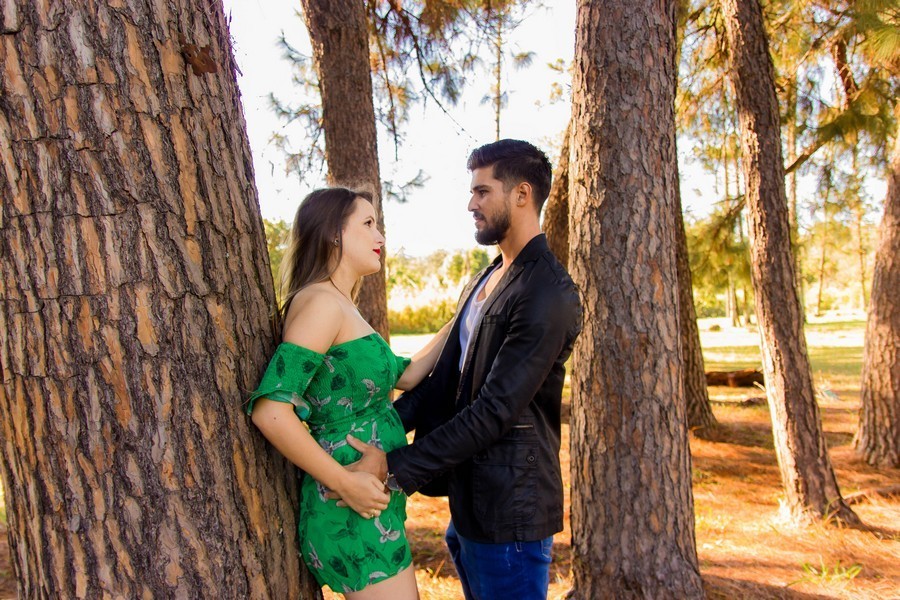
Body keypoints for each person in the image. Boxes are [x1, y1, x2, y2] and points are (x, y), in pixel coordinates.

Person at [341, 139, 583, 600]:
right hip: (469, 504)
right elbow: (443, 384)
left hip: (509, 513)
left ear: (522, 194)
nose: (471, 204)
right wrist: (376, 431)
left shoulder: (547, 293)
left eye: (482, 191)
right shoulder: (485, 279)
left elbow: (495, 410)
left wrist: (392, 467)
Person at [245, 187, 447, 599]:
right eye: (368, 224)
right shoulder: (321, 303)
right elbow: (271, 410)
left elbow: (407, 376)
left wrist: (463, 316)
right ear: (334, 233)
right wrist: (345, 482)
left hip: (367, 500)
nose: (380, 237)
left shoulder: (342, 304)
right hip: (347, 502)